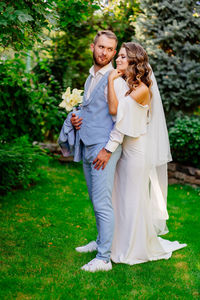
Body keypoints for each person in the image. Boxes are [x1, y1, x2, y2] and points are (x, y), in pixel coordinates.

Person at [106, 42, 186, 265]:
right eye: (119, 56)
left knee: (132, 200)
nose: (118, 59)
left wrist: (111, 80)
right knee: (119, 199)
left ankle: (133, 249)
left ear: (134, 61)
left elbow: (115, 111)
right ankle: (115, 243)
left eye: (123, 56)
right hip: (125, 150)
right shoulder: (127, 84)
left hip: (136, 152)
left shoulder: (141, 89)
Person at [71, 31, 126, 272]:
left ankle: (104, 258)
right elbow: (91, 108)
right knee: (95, 199)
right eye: (101, 47)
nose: (104, 52)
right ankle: (100, 240)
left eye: (109, 49)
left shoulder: (116, 79)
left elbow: (123, 120)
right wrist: (76, 120)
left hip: (104, 148)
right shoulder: (91, 76)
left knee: (102, 202)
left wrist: (108, 150)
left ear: (114, 53)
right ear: (93, 47)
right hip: (88, 144)